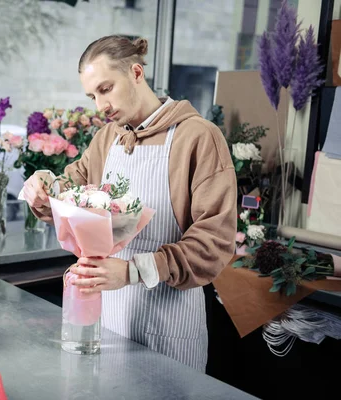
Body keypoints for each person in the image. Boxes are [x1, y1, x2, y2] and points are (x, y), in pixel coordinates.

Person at [22, 35, 237, 372]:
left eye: (105, 89)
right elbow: (68, 189)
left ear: (136, 73)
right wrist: (42, 188)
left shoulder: (197, 137)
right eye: (92, 96)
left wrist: (133, 271)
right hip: (108, 318)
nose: (100, 106)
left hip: (169, 325)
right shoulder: (107, 138)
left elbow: (215, 242)